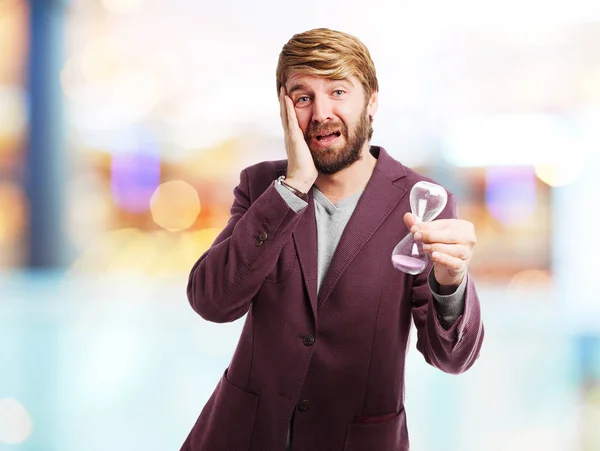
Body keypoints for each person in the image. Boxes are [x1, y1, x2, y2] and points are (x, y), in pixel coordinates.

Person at [179, 28, 484, 451]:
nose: (321, 112)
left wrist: (451, 283)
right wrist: (293, 188)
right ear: (285, 109)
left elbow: (450, 357)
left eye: (338, 91)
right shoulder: (262, 186)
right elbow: (212, 302)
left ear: (371, 99)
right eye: (303, 97)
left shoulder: (423, 200)